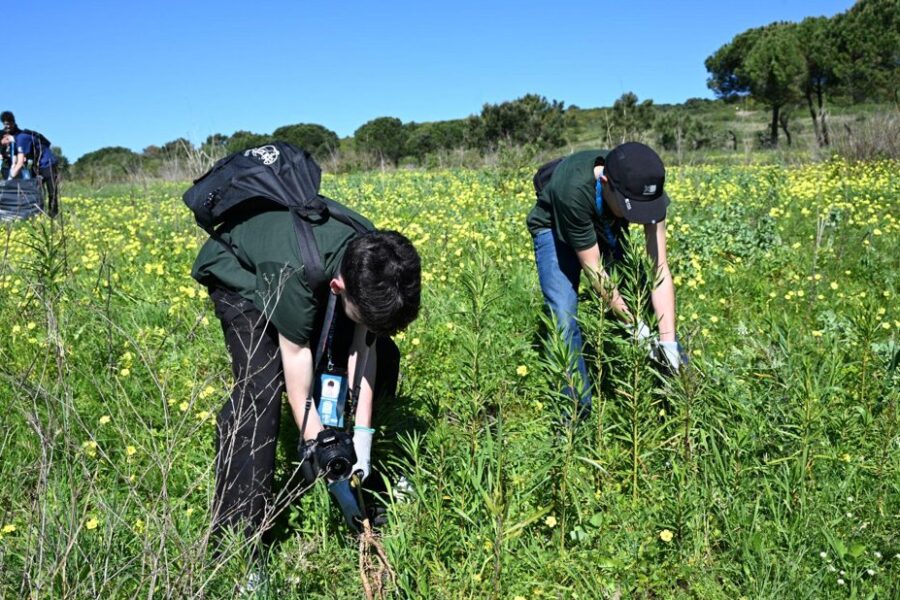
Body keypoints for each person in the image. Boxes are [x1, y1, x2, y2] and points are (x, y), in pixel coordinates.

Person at [191, 194, 421, 542]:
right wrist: (327, 459)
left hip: (304, 268)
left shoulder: (374, 257)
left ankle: (371, 475)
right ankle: (239, 541)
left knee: (385, 353)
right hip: (244, 276)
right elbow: (297, 375)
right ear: (338, 288)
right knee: (262, 390)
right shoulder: (292, 276)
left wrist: (362, 440)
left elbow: (366, 347)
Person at [525, 142, 685, 410]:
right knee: (564, 315)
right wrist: (636, 329)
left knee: (640, 298)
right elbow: (595, 272)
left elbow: (660, 269)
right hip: (554, 227)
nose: (639, 219)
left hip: (604, 220)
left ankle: (674, 394)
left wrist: (668, 341)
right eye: (632, 208)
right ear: (607, 182)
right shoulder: (573, 189)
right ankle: (576, 413)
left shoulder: (644, 186)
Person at [2, 111, 60, 217]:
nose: (4, 145)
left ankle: (53, 215)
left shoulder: (21, 138)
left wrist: (9, 180)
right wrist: (12, 168)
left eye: (4, 141)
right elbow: (15, 160)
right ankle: (37, 214)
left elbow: (19, 163)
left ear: (7, 137)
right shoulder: (16, 141)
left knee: (52, 191)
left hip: (48, 164)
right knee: (34, 190)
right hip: (36, 165)